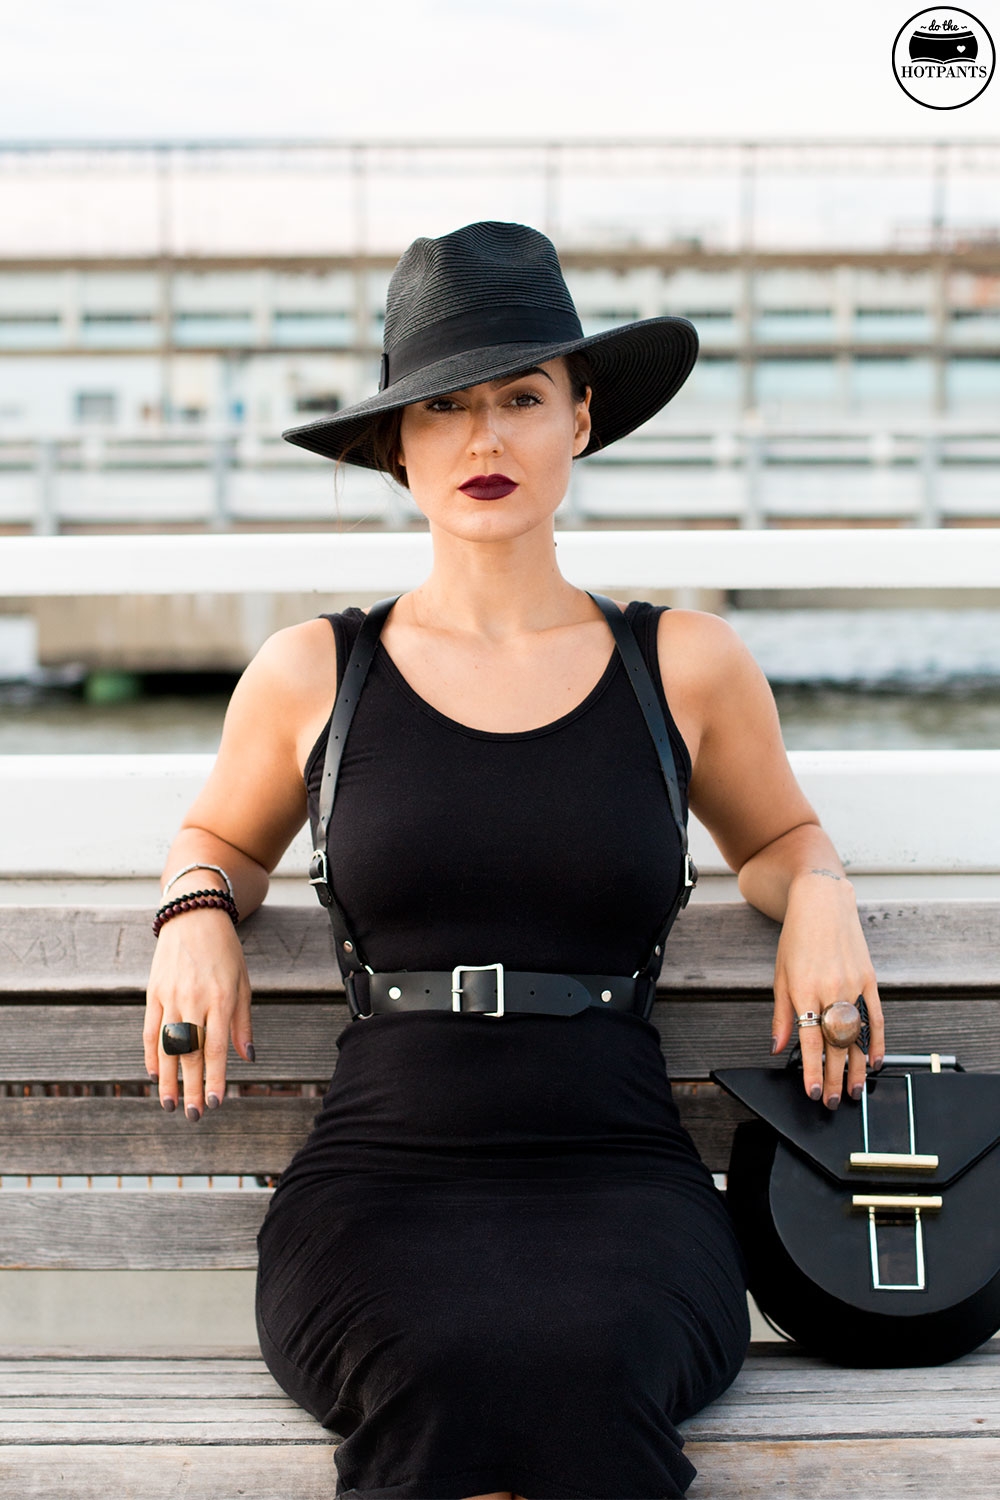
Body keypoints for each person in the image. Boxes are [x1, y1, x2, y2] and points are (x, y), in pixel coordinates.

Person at [143, 220, 884, 1500]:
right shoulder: (317, 670)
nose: (483, 441)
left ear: (582, 420)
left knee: (589, 1365)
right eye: (444, 409)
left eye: (521, 398)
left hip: (621, 1178)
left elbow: (775, 836)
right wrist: (197, 905)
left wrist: (818, 887)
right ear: (398, 446)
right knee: (442, 1368)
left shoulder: (685, 664)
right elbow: (218, 837)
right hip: (381, 1181)